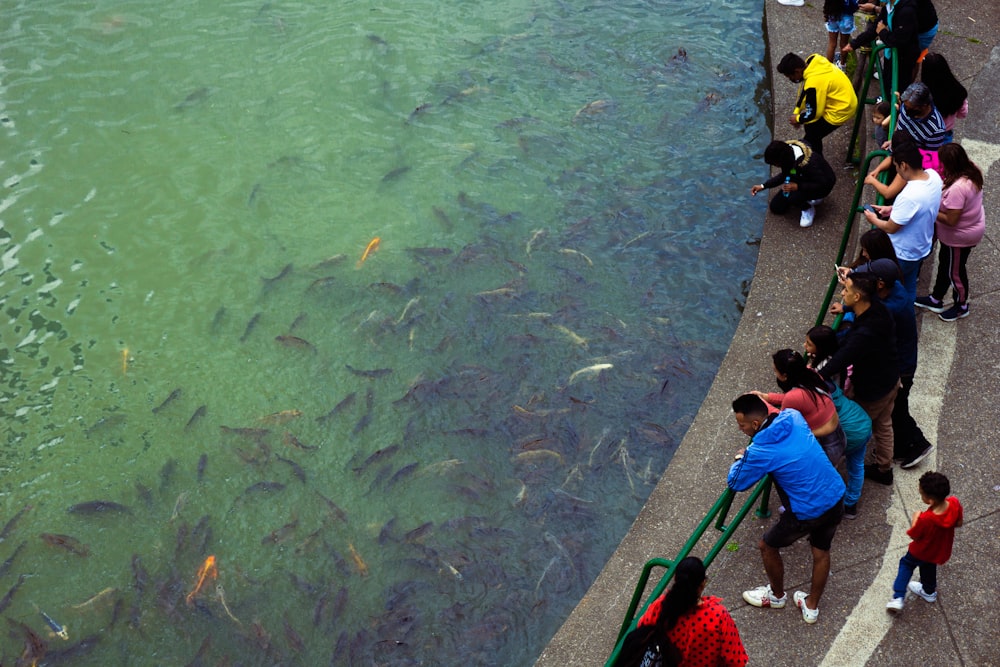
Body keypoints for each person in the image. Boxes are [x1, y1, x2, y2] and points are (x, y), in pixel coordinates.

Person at [729, 394, 846, 624]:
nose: (739, 429)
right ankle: (811, 606)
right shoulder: (793, 416)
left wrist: (741, 457)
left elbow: (736, 482)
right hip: (834, 495)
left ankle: (776, 595)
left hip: (807, 511)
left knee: (767, 545)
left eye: (741, 425)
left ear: (754, 424)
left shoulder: (761, 451)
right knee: (821, 551)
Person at [841, 258, 933, 468]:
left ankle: (917, 444)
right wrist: (852, 278)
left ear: (880, 284)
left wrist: (847, 307)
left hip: (900, 366)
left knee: (896, 410)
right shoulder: (896, 288)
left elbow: (864, 311)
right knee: (893, 411)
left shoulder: (891, 308)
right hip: (902, 361)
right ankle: (900, 449)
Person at [819, 272, 899, 485]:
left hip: (874, 390)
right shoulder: (878, 308)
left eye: (846, 290)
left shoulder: (865, 334)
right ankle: (884, 467)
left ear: (857, 297)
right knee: (883, 424)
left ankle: (839, 476)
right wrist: (845, 308)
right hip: (892, 379)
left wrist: (814, 375)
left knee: (851, 429)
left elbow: (841, 359)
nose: (843, 292)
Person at [618, 557, 749, 667]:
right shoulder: (717, 616)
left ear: (675, 579)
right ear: (703, 583)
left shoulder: (662, 605)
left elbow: (642, 629)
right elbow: (736, 660)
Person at [863, 136, 941, 306]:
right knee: (910, 284)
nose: (897, 171)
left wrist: (873, 219)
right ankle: (907, 312)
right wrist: (892, 210)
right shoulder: (934, 177)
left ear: (904, 165)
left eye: (897, 167)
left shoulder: (909, 195)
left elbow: (891, 228)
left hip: (902, 252)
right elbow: (921, 207)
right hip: (921, 246)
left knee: (890, 289)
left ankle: (896, 319)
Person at [806, 325, 872, 519]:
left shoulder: (817, 398)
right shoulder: (831, 384)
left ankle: (828, 504)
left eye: (809, 343)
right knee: (856, 465)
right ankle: (851, 504)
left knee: (826, 466)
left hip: (849, 433)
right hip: (863, 422)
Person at [914, 143, 985, 321]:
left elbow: (951, 220)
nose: (939, 165)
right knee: (946, 263)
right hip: (958, 234)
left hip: (960, 237)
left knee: (956, 272)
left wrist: (930, 209)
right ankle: (936, 298)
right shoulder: (970, 169)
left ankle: (961, 305)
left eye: (942, 162)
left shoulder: (958, 189)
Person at [751, 349, 846, 467]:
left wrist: (762, 404)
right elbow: (800, 399)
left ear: (785, 375)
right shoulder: (812, 375)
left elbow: (781, 421)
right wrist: (768, 397)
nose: (775, 374)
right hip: (838, 436)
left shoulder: (793, 397)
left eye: (775, 371)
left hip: (824, 447)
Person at [886, 471, 963, 612]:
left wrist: (916, 517)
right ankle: (929, 591)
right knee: (928, 566)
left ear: (930, 501)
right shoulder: (954, 503)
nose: (921, 495)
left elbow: (914, 535)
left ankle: (898, 597)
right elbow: (958, 523)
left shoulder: (926, 519)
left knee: (906, 564)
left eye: (922, 494)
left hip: (921, 550)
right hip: (938, 549)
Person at [775, 52, 858, 156]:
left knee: (811, 134)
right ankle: (815, 155)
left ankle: (816, 160)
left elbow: (814, 113)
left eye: (790, 76)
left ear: (797, 71)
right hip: (845, 99)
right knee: (810, 128)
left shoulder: (814, 82)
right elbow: (804, 90)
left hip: (842, 110)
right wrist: (797, 111)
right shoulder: (813, 60)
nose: (791, 79)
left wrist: (798, 119)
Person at [751, 139, 836, 228]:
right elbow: (784, 175)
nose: (776, 166)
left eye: (776, 164)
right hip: (801, 177)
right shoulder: (788, 156)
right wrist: (763, 186)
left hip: (822, 185)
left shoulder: (809, 163)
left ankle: (808, 208)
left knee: (793, 197)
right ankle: (803, 197)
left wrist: (798, 187)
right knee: (776, 207)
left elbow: (823, 183)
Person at [845, 0, 920, 93]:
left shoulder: (907, 11)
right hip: (891, 53)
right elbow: (875, 28)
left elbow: (899, 40)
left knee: (899, 87)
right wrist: (855, 43)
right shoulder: (889, 6)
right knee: (887, 82)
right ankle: (886, 99)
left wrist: (882, 32)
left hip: (904, 58)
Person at [920, 53, 967, 143]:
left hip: (925, 133)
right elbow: (962, 113)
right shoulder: (958, 90)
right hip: (945, 134)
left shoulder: (922, 94)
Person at [824, 0, 859, 68]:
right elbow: (855, 6)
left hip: (833, 17)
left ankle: (828, 66)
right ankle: (842, 65)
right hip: (846, 20)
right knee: (844, 43)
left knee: (832, 43)